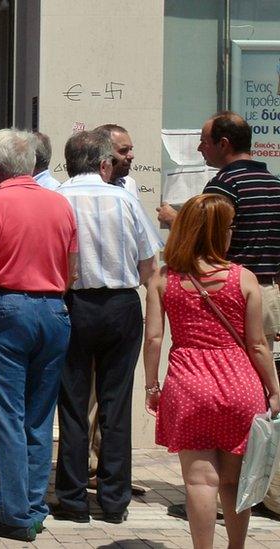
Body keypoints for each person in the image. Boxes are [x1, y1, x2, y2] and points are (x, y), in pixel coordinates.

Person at [158, 111, 280, 519]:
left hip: (229, 292)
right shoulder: (275, 185)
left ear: (224, 144)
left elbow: (209, 236)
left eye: (205, 141)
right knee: (266, 402)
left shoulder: (225, 186)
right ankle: (266, 491)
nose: (199, 148)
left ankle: (224, 492)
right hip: (269, 293)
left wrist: (177, 221)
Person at [144, 193, 280, 549]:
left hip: (188, 384)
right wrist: (274, 388)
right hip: (239, 384)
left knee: (199, 481)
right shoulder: (243, 278)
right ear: (220, 232)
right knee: (235, 481)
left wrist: (151, 385)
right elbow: (257, 345)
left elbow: (154, 337)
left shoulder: (164, 278)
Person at [0, 129, 78, 542]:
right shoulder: (60, 204)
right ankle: (32, 505)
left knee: (7, 416)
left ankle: (14, 513)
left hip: (7, 310)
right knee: (38, 416)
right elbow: (73, 271)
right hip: (54, 310)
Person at [51, 131, 162, 525]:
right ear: (103, 163)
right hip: (120, 304)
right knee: (115, 403)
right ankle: (114, 501)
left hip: (73, 303)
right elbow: (150, 266)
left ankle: (73, 498)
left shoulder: (57, 199)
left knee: (74, 404)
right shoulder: (126, 199)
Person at [95, 124, 139, 200]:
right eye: (123, 150)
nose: (131, 156)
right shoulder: (86, 186)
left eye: (131, 149)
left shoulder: (129, 184)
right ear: (102, 152)